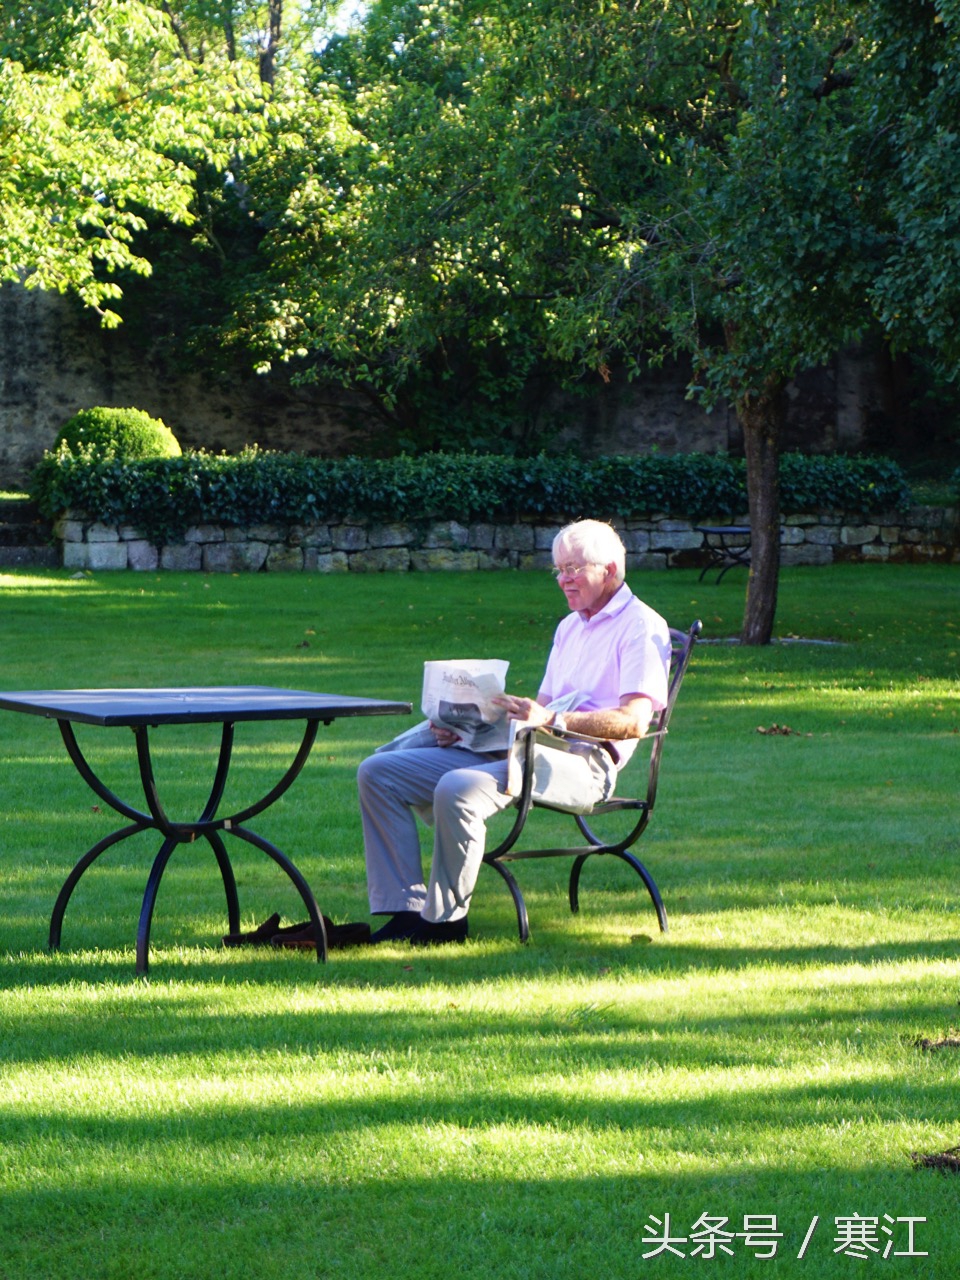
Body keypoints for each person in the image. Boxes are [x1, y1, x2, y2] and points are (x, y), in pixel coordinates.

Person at [356, 519, 672, 946]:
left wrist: (553, 721)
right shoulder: (570, 626)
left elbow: (634, 721)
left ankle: (447, 922)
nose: (563, 579)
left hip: (586, 763)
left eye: (573, 569)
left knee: (458, 785)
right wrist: (467, 726)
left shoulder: (641, 626)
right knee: (378, 771)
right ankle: (405, 912)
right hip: (530, 748)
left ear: (610, 570)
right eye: (558, 569)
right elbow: (540, 709)